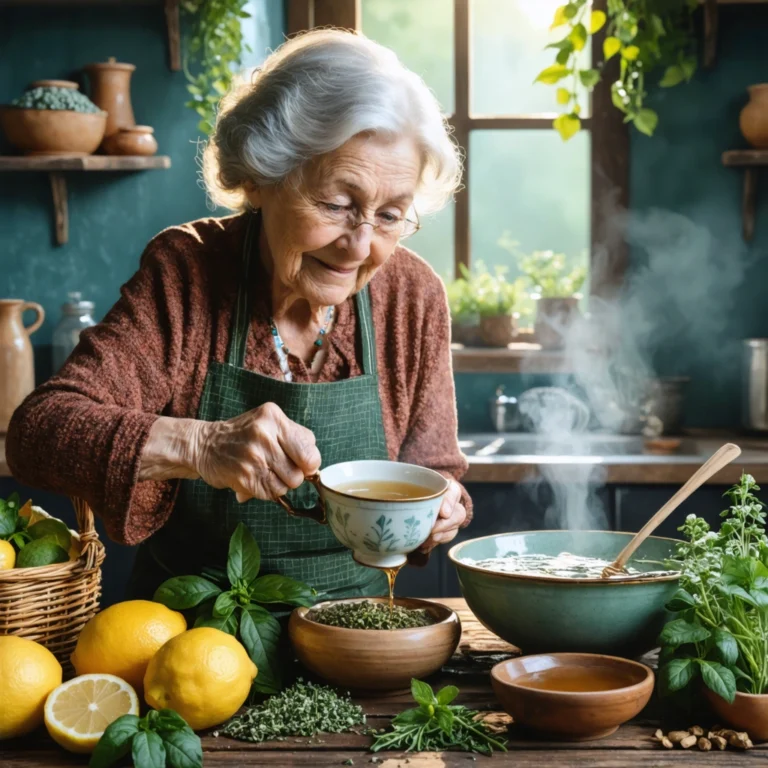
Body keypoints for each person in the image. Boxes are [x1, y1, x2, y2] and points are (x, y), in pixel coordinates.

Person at [6, 29, 471, 600]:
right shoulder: (186, 273)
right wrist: (200, 448)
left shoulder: (413, 296)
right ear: (261, 176)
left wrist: (443, 503)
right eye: (336, 205)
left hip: (356, 636)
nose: (359, 244)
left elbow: (436, 468)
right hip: (196, 643)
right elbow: (38, 433)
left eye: (392, 214)